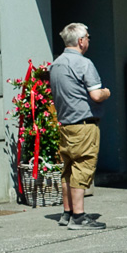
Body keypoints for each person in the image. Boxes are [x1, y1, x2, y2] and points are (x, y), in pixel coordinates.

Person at [50, 23, 110, 230]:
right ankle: (79, 216)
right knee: (82, 168)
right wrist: (106, 92)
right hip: (84, 125)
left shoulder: (56, 64)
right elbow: (95, 95)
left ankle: (67, 212)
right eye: (88, 37)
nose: (88, 41)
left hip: (66, 124)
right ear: (81, 41)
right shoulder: (84, 64)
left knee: (67, 169)